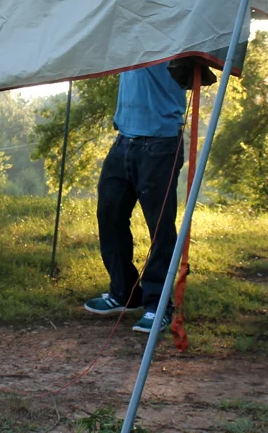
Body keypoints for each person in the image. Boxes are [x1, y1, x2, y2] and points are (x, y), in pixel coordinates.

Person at [83, 60, 187, 333]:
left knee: (160, 226)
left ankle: (158, 305)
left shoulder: (172, 28)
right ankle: (124, 293)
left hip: (161, 142)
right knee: (109, 213)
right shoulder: (129, 29)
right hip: (124, 140)